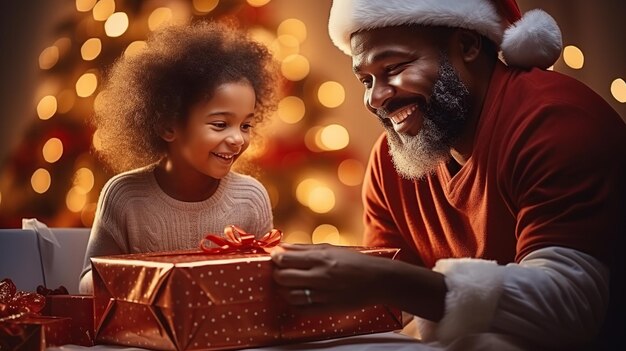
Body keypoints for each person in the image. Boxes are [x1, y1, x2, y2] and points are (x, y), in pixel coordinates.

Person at [271, 0, 625, 350]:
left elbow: (571, 307)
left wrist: (385, 279)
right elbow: (396, 317)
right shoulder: (391, 161)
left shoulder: (555, 122)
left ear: (467, 46)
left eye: (393, 67)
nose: (375, 99)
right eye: (366, 79)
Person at [79, 21, 280, 294]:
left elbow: (265, 286)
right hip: (143, 335)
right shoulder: (124, 195)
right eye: (221, 124)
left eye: (246, 125)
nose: (238, 139)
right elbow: (87, 283)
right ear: (168, 125)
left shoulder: (251, 197)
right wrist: (149, 279)